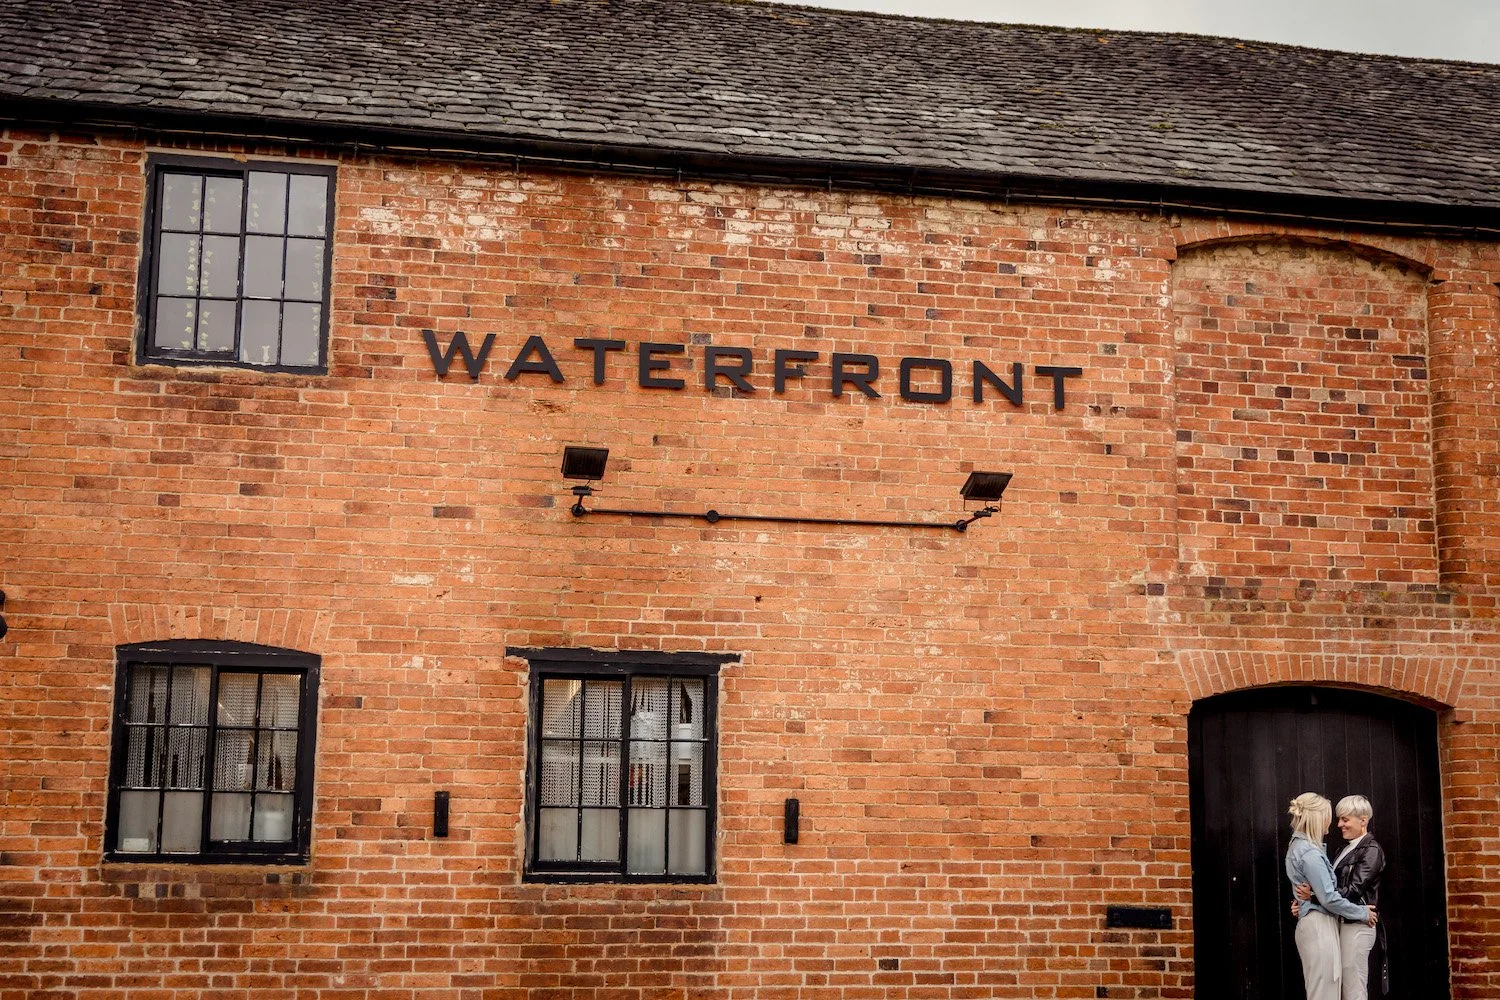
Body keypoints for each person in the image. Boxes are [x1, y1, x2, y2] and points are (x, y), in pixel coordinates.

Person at [1292, 794, 1387, 999]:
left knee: (1353, 989)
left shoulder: (1371, 850)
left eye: (1345, 819)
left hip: (1357, 925)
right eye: (1338, 819)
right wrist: (1303, 901)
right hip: (1340, 923)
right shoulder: (1341, 849)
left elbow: (1353, 890)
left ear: (1363, 820)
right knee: (1337, 988)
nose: (1339, 824)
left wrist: (1314, 898)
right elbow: (1326, 886)